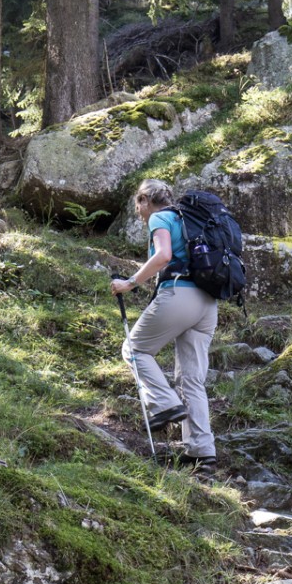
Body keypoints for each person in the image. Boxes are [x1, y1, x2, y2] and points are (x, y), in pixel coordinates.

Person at [110, 179, 217, 467]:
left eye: (138, 207)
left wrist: (130, 283)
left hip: (180, 293)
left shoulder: (161, 217)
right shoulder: (189, 219)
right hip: (208, 302)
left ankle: (165, 404)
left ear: (145, 199)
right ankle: (203, 454)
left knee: (134, 349)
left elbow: (164, 255)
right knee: (192, 380)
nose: (140, 214)